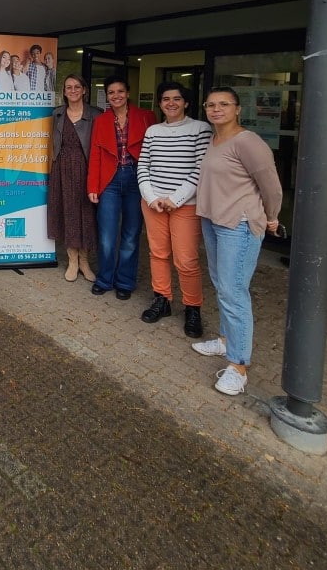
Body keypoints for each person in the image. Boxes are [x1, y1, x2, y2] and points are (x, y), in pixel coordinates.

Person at [192, 87, 282, 396]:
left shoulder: (248, 142)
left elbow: (271, 186)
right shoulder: (215, 139)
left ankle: (238, 366)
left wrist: (272, 216)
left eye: (224, 104)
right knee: (222, 284)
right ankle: (226, 340)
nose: (216, 109)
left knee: (234, 293)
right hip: (213, 220)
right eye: (211, 105)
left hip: (239, 225)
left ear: (238, 109)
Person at [137, 83, 212, 336]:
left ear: (186, 103)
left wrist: (175, 199)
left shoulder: (200, 129)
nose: (171, 103)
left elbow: (201, 169)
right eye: (166, 99)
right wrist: (151, 198)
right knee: (158, 254)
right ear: (160, 104)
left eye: (177, 99)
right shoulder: (153, 131)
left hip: (185, 205)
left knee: (186, 260)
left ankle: (192, 308)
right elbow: (143, 166)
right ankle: (162, 299)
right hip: (154, 204)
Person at [87, 75, 156, 299]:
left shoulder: (146, 117)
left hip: (137, 178)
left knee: (131, 234)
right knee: (107, 235)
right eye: (111, 92)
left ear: (127, 93)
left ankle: (125, 281)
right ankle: (104, 279)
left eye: (120, 91)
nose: (116, 96)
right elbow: (96, 154)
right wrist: (92, 186)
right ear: (107, 96)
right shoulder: (101, 120)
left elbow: (154, 152)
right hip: (110, 180)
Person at [47, 75, 102, 282]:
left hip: (87, 167)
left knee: (86, 215)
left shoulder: (96, 114)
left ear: (84, 90)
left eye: (77, 86)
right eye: (68, 87)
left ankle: (85, 261)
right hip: (62, 168)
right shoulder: (57, 113)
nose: (73, 90)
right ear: (64, 91)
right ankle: (72, 260)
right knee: (68, 213)